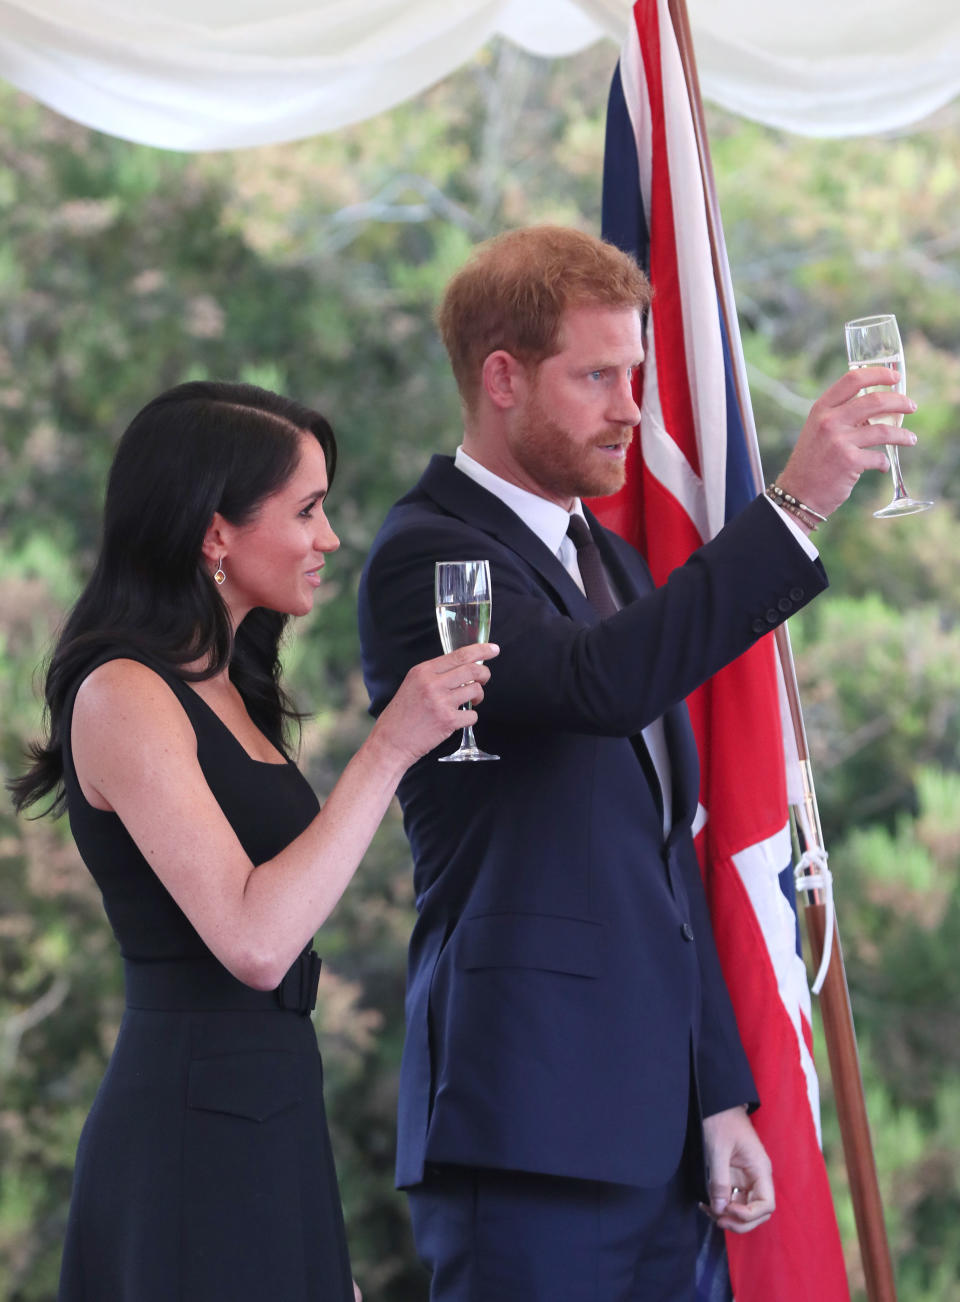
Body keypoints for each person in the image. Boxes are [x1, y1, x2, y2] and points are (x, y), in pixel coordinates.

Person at [356, 226, 918, 1301]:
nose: (632, 406)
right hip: (526, 1126)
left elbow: (664, 863)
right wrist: (792, 504)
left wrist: (716, 1099)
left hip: (659, 1142)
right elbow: (596, 684)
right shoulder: (428, 554)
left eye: (641, 373)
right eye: (600, 375)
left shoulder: (605, 559)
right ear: (504, 378)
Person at [9, 380, 498, 1302]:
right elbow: (257, 942)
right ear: (214, 534)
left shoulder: (230, 686)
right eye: (307, 510)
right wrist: (390, 745)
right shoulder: (122, 693)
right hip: (192, 1130)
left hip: (268, 1107)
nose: (330, 538)